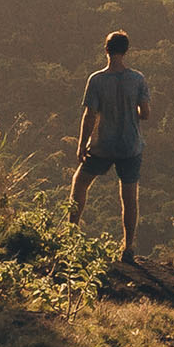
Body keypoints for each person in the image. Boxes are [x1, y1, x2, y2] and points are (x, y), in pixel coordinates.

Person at [71, 29, 151, 257]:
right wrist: (131, 108)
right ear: (126, 51)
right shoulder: (137, 79)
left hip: (102, 145)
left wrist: (81, 144)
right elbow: (145, 113)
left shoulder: (96, 80)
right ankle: (128, 246)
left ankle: (71, 233)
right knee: (129, 196)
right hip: (130, 145)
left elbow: (90, 115)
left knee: (79, 184)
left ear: (106, 49)